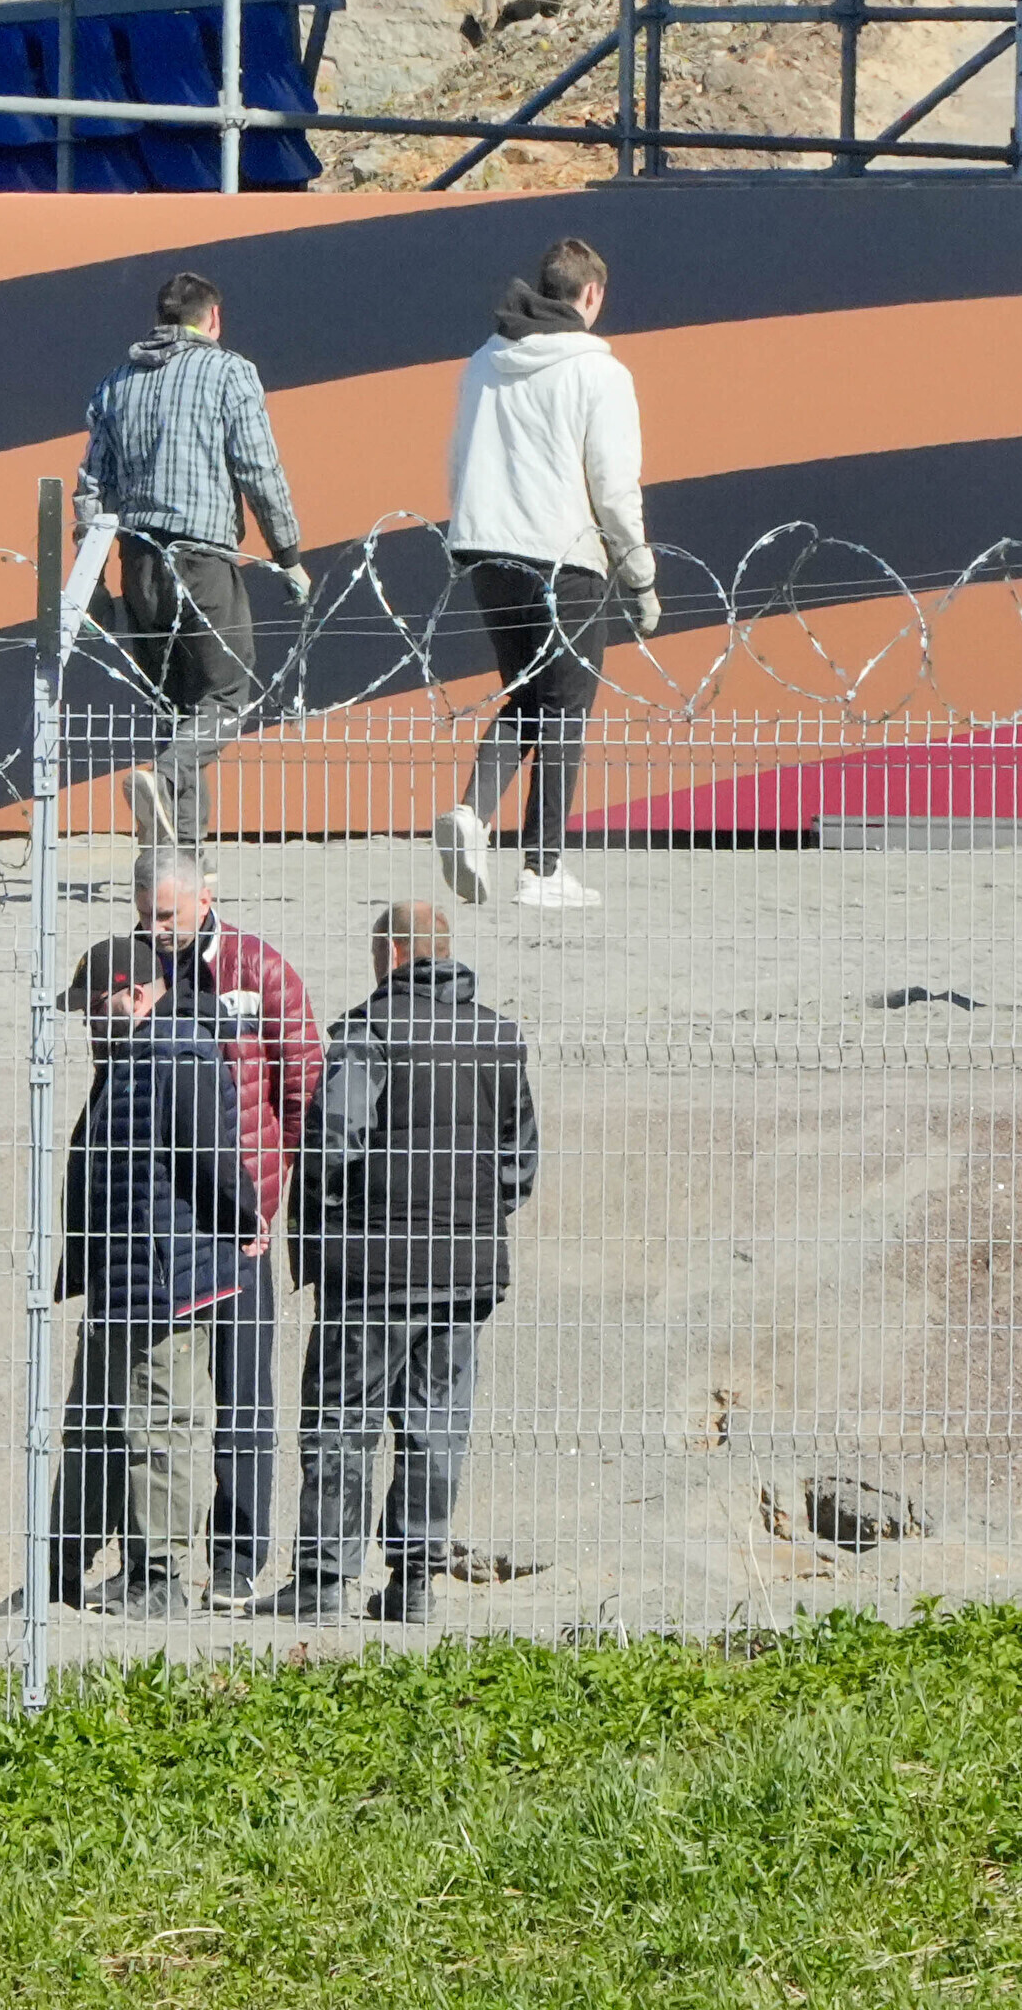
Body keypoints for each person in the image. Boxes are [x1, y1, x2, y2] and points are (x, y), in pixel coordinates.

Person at [275, 902, 537, 1625]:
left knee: (342, 1420)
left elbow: (333, 1140)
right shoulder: (498, 1036)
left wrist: (332, 1220)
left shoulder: (371, 1032)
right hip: (465, 1268)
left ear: (392, 954)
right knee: (436, 1426)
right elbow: (520, 1167)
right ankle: (415, 1582)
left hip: (373, 1272)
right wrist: (469, 1216)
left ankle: (324, 1581)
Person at [431, 236, 661, 913]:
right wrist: (640, 575)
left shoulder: (484, 361)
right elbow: (614, 487)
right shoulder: (599, 372)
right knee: (565, 710)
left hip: (486, 550)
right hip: (565, 558)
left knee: (527, 699)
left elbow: (457, 458)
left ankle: (471, 815)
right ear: (591, 294)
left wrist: (462, 539)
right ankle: (542, 867)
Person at [45, 934, 263, 1619]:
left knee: (161, 1430)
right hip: (118, 1280)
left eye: (94, 1004)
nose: (87, 1019)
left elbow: (213, 1159)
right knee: (94, 1430)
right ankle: (64, 1574)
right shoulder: (128, 1055)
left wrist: (246, 1218)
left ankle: (160, 1577)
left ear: (135, 994)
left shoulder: (176, 1052)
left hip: (165, 1283)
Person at [134, 848, 318, 1609]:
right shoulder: (135, 968)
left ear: (205, 900)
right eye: (145, 916)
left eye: (168, 916)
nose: (156, 929)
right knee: (152, 1399)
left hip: (240, 1226)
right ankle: (150, 1565)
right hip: (158, 1226)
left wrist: (266, 1201)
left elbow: (302, 1084)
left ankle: (239, 1561)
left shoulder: (260, 970)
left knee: (244, 1396)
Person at [78, 269, 312, 851]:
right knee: (228, 695)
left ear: (160, 320)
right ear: (213, 318)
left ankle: (178, 861)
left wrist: (92, 579)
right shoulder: (230, 371)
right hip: (201, 559)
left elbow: (92, 489)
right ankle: (165, 779)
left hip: (138, 561)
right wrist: (288, 554)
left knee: (176, 710)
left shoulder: (116, 384)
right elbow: (258, 468)